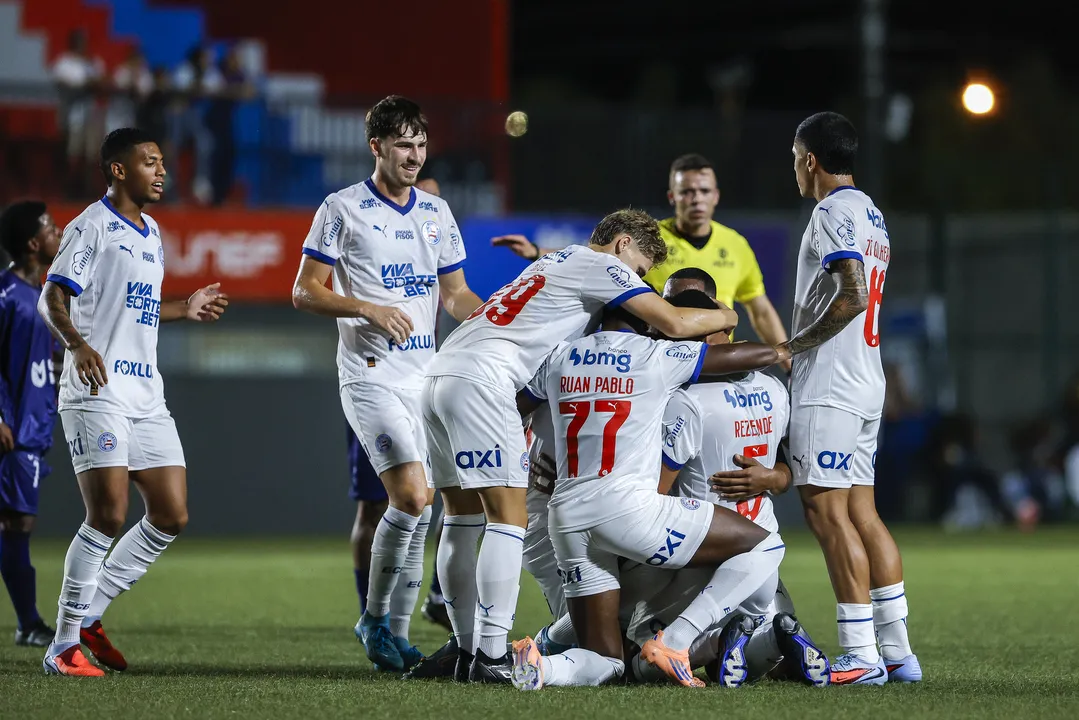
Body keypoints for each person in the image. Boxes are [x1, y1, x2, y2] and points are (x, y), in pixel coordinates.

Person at [423, 209, 738, 682]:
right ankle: (488, 657)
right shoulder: (603, 266)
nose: (635, 287)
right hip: (486, 378)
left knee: (461, 518)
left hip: (442, 370)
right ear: (623, 244)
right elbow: (671, 322)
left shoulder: (552, 263)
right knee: (506, 519)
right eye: (638, 273)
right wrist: (726, 313)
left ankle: (464, 649)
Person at [292, 96, 483, 673]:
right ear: (376, 146)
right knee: (410, 498)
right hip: (370, 377)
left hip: (425, 376)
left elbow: (454, 294)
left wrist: (495, 319)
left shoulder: (435, 213)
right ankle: (374, 619)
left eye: (421, 145)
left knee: (421, 510)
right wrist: (366, 309)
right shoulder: (341, 208)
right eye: (403, 144)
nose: (414, 155)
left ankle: (395, 634)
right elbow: (304, 290)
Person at [508, 299, 790, 690]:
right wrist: (744, 326)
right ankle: (675, 642)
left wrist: (521, 459)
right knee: (765, 546)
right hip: (629, 511)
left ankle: (542, 664)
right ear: (648, 321)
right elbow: (750, 355)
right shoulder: (654, 354)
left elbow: (510, 409)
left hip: (566, 517)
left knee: (608, 661)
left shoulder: (561, 355)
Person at [37, 127, 229, 677]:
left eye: (163, 162)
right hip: (96, 391)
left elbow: (137, 309)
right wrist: (78, 345)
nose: (162, 171)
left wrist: (184, 308)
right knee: (108, 514)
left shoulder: (151, 233)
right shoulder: (90, 227)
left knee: (170, 513)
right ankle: (62, 646)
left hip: (146, 393)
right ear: (118, 170)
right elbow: (53, 297)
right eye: (150, 162)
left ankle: (91, 614)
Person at [785, 111, 919, 684]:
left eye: (795, 158)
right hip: (866, 382)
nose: (794, 169)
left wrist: (793, 347)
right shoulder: (871, 213)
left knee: (826, 512)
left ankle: (861, 655)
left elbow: (852, 296)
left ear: (810, 160)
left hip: (831, 386)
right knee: (863, 512)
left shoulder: (831, 210)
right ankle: (898, 653)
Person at [492, 154, 790, 368]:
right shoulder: (649, 241)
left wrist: (787, 359)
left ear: (716, 196)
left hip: (710, 358)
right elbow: (596, 257)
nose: (696, 198)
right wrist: (536, 250)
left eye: (703, 191)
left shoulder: (736, 244)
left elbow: (760, 309)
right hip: (656, 362)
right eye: (687, 192)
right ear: (673, 197)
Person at [0, 201, 62, 647]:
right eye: (51, 228)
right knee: (17, 523)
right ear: (32, 243)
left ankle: (28, 623)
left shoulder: (44, 296)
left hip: (33, 429)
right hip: (12, 430)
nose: (59, 233)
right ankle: (29, 623)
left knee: (19, 523)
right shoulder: (6, 296)